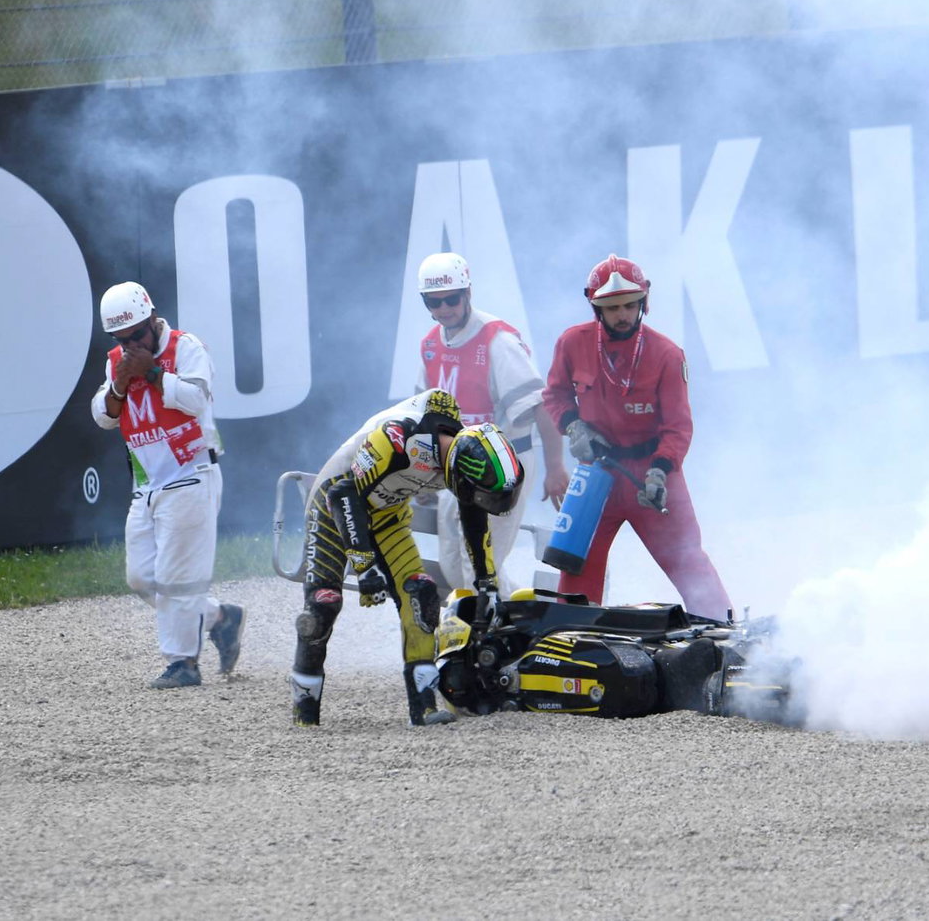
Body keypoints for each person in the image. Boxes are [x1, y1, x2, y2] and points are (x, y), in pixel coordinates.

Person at [289, 388, 523, 727]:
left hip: (387, 513)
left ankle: (423, 709)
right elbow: (343, 494)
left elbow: (473, 521)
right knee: (323, 605)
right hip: (334, 506)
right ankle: (304, 713)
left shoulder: (462, 457)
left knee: (422, 594)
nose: (479, 499)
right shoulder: (399, 439)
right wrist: (364, 566)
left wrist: (487, 582)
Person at [542, 254, 732, 620]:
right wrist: (573, 426)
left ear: (644, 302)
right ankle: (569, 641)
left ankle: (724, 632)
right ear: (596, 308)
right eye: (613, 307)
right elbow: (555, 395)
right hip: (595, 473)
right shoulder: (571, 343)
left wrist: (660, 471)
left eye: (630, 305)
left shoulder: (667, 354)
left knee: (688, 562)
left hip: (653, 474)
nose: (623, 315)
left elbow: (678, 427)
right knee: (575, 569)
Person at [90, 281, 245, 689]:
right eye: (122, 340)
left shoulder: (186, 347)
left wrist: (153, 372)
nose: (131, 346)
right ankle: (219, 618)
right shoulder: (117, 362)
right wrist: (120, 383)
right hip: (147, 485)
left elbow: (197, 400)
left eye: (136, 336)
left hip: (192, 473)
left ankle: (183, 663)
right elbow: (103, 416)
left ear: (152, 320)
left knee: (177, 577)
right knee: (141, 578)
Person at [414, 252, 568, 592]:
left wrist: (556, 467)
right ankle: (518, 612)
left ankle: (485, 624)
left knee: (477, 564)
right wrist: (423, 477)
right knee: (454, 567)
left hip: (503, 462)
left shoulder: (497, 341)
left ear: (467, 292)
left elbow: (541, 406)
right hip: (455, 466)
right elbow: (424, 419)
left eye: (452, 299)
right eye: (434, 302)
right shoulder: (429, 345)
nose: (444, 308)